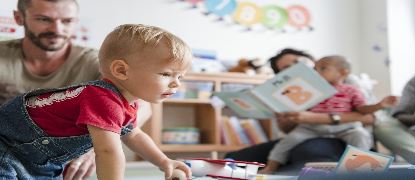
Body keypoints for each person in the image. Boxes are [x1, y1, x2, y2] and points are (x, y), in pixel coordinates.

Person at [0, 24, 193, 179]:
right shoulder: (102, 99)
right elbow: (108, 151)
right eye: (166, 74)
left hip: (38, 160)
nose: (176, 84)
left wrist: (163, 161)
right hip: (6, 149)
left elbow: (133, 135)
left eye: (180, 77)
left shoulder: (127, 102)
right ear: (121, 71)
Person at [225, 49, 375, 175]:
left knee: (307, 153)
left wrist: (319, 118)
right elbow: (288, 130)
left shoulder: (347, 81)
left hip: (342, 132)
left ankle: (355, 172)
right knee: (232, 159)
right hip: (306, 132)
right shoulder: (289, 89)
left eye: (297, 62)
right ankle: (280, 169)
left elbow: (370, 117)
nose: (294, 67)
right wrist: (285, 118)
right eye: (286, 68)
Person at [0, 0, 99, 178]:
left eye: (67, 21)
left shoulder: (94, 62)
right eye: (44, 19)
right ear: (18, 18)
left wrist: (96, 146)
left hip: (66, 166)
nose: (57, 30)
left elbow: (138, 103)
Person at [259, 56, 398, 174]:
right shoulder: (311, 89)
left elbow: (363, 110)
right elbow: (299, 107)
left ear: (343, 72)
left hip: (345, 127)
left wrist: (379, 105)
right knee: (286, 142)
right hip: (311, 127)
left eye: (323, 69)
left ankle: (360, 170)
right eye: (316, 69)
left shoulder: (352, 90)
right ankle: (271, 167)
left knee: (360, 135)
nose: (317, 72)